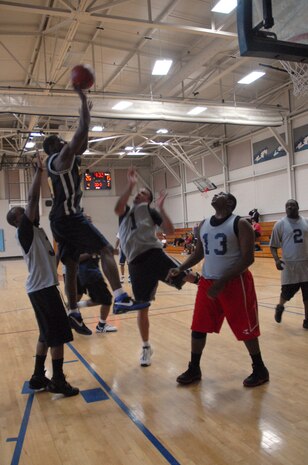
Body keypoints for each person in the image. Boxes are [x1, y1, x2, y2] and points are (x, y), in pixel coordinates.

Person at [44, 87, 148, 336]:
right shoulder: (61, 159)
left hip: (60, 219)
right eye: (62, 141)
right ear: (57, 146)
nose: (66, 142)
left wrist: (86, 123)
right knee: (104, 249)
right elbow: (79, 135)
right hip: (70, 217)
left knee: (69, 266)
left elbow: (84, 142)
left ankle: (73, 312)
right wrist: (82, 105)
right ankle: (121, 296)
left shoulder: (62, 160)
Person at [168, 191, 269, 388]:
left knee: (245, 327)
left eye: (221, 194)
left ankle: (260, 369)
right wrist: (180, 267)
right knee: (198, 326)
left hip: (235, 282)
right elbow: (198, 253)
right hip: (208, 281)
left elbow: (248, 259)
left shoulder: (240, 224)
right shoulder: (204, 224)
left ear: (230, 202)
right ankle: (194, 368)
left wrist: (223, 281)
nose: (216, 194)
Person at [6, 154, 79, 397]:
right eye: (23, 212)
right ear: (18, 219)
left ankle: (38, 376)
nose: (30, 212)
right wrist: (39, 172)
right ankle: (57, 380)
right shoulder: (25, 230)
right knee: (57, 335)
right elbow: (33, 199)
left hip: (42, 287)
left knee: (46, 334)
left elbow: (50, 257)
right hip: (43, 290)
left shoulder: (36, 232)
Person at [115, 168, 200, 367]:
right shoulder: (126, 212)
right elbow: (119, 207)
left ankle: (210, 287)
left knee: (185, 275)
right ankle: (146, 347)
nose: (138, 194)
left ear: (149, 200)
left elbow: (169, 231)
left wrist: (161, 208)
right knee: (142, 306)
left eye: (143, 193)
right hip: (135, 263)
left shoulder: (151, 212)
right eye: (138, 192)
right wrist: (130, 185)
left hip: (154, 255)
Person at [270, 199, 308, 329]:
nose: (290, 207)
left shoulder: (306, 221)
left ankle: (307, 320)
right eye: (287, 205)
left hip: (306, 263)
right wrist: (276, 260)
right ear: (285, 208)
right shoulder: (280, 224)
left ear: (298, 207)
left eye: (293, 205)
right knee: (287, 292)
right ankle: (280, 307)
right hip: (289, 264)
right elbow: (273, 246)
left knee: (307, 293)